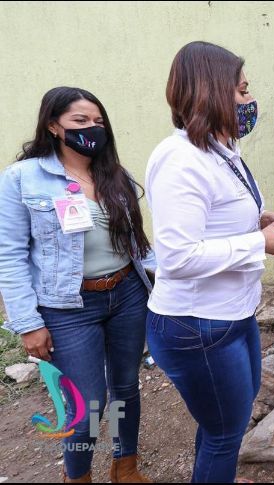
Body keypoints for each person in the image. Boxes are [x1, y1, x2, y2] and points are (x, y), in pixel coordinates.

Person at [145, 41, 274, 483]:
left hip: (232, 314)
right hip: (197, 324)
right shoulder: (180, 161)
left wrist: (262, 219)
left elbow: (215, 220)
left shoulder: (219, 152)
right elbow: (176, 256)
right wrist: (257, 243)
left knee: (224, 422)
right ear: (212, 92)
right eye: (242, 90)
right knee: (225, 431)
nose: (250, 101)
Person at [0, 87, 155, 483]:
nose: (92, 129)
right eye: (80, 121)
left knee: (126, 387)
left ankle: (126, 467)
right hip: (69, 307)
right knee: (86, 402)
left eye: (98, 122)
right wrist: (28, 323)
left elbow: (136, 243)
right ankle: (78, 476)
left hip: (126, 294)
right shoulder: (23, 178)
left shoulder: (116, 175)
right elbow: (10, 254)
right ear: (53, 126)